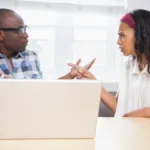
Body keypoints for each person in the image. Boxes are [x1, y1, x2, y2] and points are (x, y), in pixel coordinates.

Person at [69, 9, 150, 117]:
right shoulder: (128, 67)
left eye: (122, 35)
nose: (118, 41)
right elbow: (119, 108)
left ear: (140, 35)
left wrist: (142, 113)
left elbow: (139, 114)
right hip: (131, 131)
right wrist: (94, 83)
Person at [0, 8, 95, 79]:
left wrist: (70, 75)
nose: (26, 35)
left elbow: (43, 90)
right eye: (20, 30)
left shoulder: (31, 56)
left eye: (24, 29)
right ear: (1, 35)